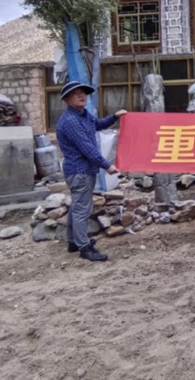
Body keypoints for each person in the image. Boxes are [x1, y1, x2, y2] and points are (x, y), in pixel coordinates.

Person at [56, 81, 127, 262]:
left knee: (77, 206)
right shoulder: (70, 121)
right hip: (79, 171)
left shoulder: (83, 115)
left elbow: (98, 124)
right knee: (82, 209)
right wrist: (107, 165)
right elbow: (87, 147)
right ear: (66, 99)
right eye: (76, 93)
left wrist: (114, 117)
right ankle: (84, 247)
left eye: (83, 93)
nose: (82, 96)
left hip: (84, 170)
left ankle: (73, 241)